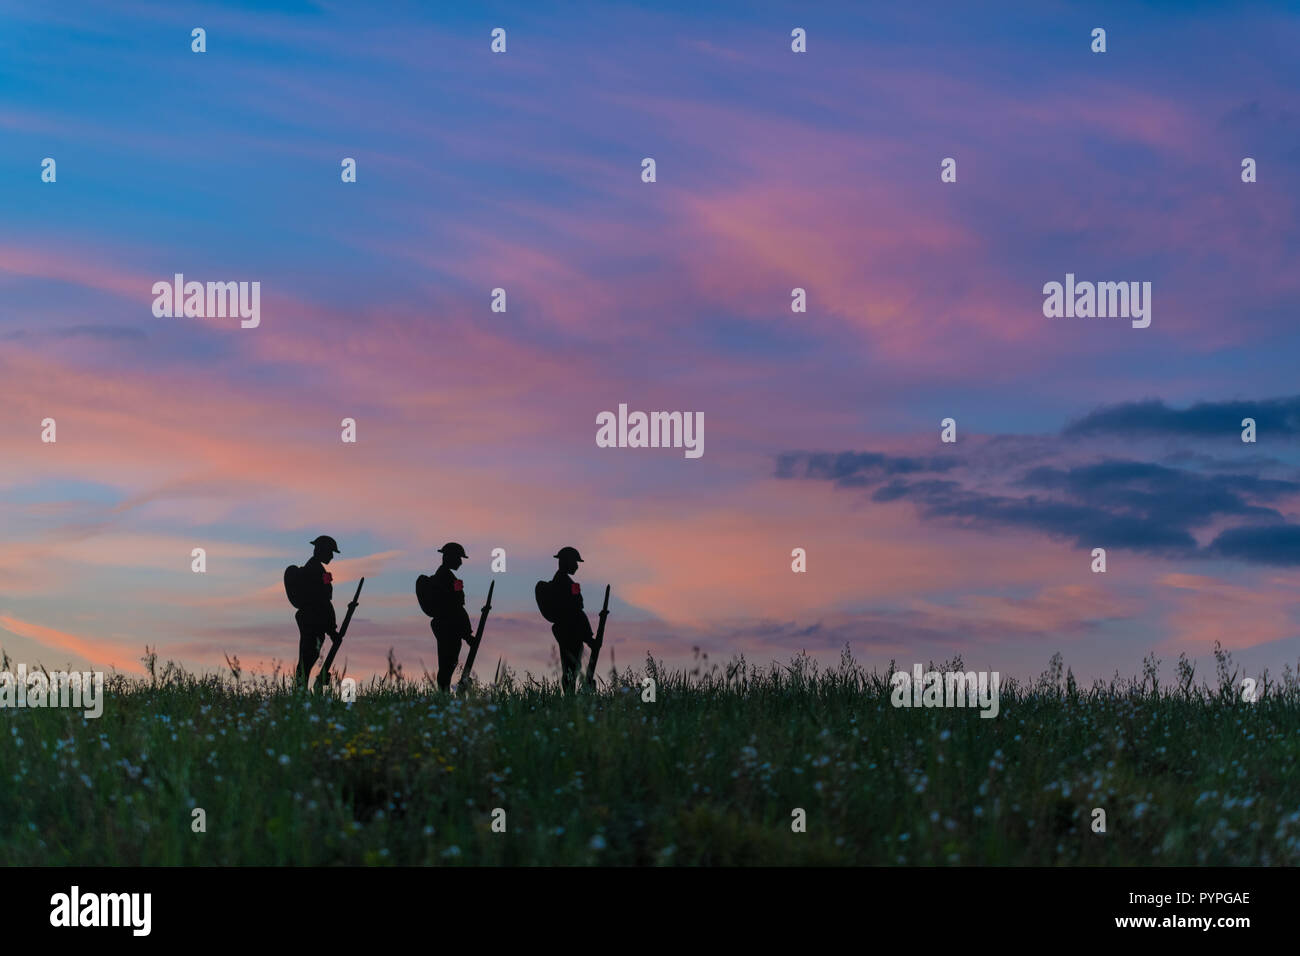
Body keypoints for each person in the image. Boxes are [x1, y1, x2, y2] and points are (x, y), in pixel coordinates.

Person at [422, 542, 474, 691]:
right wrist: (467, 634)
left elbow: (458, 606)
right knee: (447, 662)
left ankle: (443, 694)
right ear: (449, 557)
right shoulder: (445, 578)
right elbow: (455, 608)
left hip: (447, 625)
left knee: (448, 662)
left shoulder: (449, 578)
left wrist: (466, 633)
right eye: (459, 558)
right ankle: (443, 694)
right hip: (447, 626)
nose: (461, 562)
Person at [292, 536, 340, 687]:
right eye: (330, 552)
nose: (332, 556)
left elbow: (325, 601)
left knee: (309, 656)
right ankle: (300, 691)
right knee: (308, 656)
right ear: (322, 550)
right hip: (312, 620)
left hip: (313, 619)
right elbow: (322, 602)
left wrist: (331, 629)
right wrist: (332, 630)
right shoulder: (314, 570)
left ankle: (300, 691)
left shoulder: (318, 569)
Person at [548, 546, 595, 694]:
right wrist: (588, 637)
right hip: (569, 631)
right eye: (574, 562)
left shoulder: (569, 583)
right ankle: (569, 698)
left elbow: (578, 607)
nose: (576, 566)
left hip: (570, 630)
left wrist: (588, 637)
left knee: (572, 667)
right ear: (566, 562)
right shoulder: (563, 583)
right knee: (570, 667)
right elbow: (576, 611)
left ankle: (571, 697)